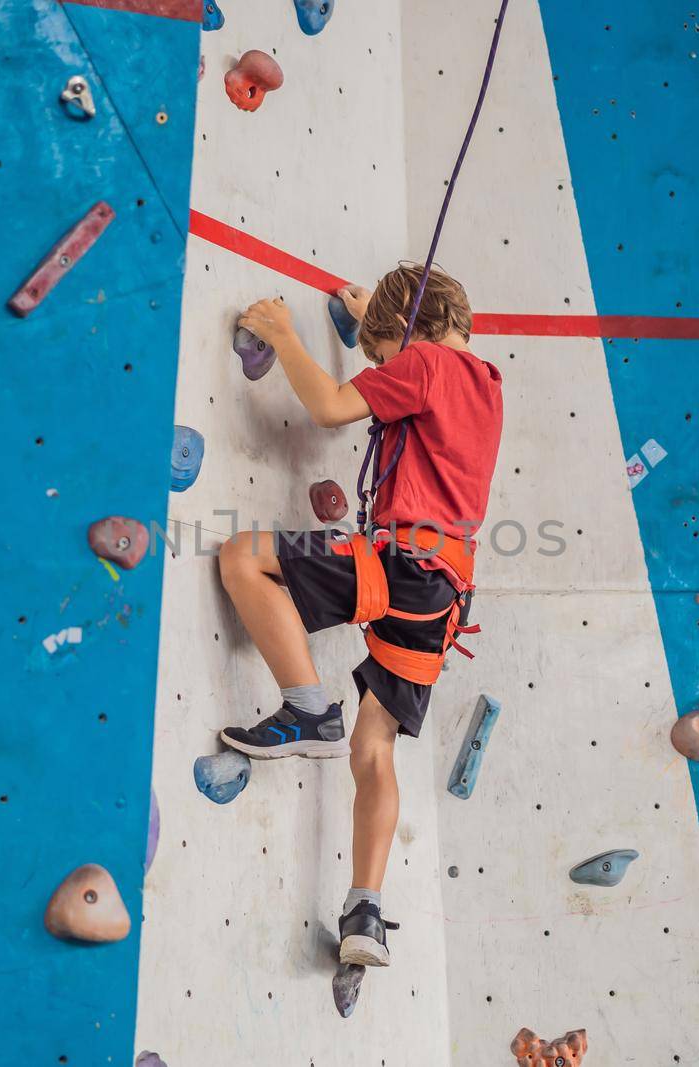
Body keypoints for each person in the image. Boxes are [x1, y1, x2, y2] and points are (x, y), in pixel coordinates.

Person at [216, 263, 504, 969]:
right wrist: (379, 320)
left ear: (414, 333)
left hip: (402, 563)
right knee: (372, 748)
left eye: (385, 357)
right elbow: (408, 396)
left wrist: (284, 334)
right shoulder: (488, 385)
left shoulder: (427, 361)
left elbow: (332, 407)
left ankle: (307, 706)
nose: (386, 371)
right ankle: (364, 908)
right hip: (442, 595)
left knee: (241, 557)